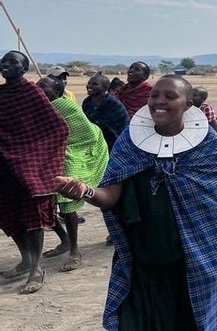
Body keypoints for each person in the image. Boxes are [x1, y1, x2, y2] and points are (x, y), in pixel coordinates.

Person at [53, 74, 217, 331]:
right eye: (155, 95)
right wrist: (84, 190)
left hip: (189, 272)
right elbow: (111, 195)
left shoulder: (208, 148)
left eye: (170, 96)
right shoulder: (130, 144)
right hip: (141, 272)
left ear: (188, 104)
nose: (160, 101)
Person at [0, 51, 69, 294]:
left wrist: (40, 158)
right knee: (8, 214)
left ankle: (36, 268)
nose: (6, 65)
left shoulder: (33, 93)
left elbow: (58, 128)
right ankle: (25, 259)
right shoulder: (1, 95)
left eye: (13, 62)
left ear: (24, 68)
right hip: (6, 167)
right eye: (4, 60)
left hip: (31, 165)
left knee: (33, 217)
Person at [37, 76, 109, 272]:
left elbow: (84, 134)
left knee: (66, 201)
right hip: (49, 153)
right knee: (42, 203)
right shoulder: (37, 106)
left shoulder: (67, 107)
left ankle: (75, 251)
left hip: (78, 149)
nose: (39, 88)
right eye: (38, 84)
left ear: (57, 92)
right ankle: (64, 241)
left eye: (44, 86)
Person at [82, 73, 130, 151]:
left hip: (115, 142)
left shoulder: (113, 103)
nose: (90, 86)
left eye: (95, 84)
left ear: (105, 88)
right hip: (94, 141)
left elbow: (119, 127)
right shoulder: (87, 102)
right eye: (89, 83)